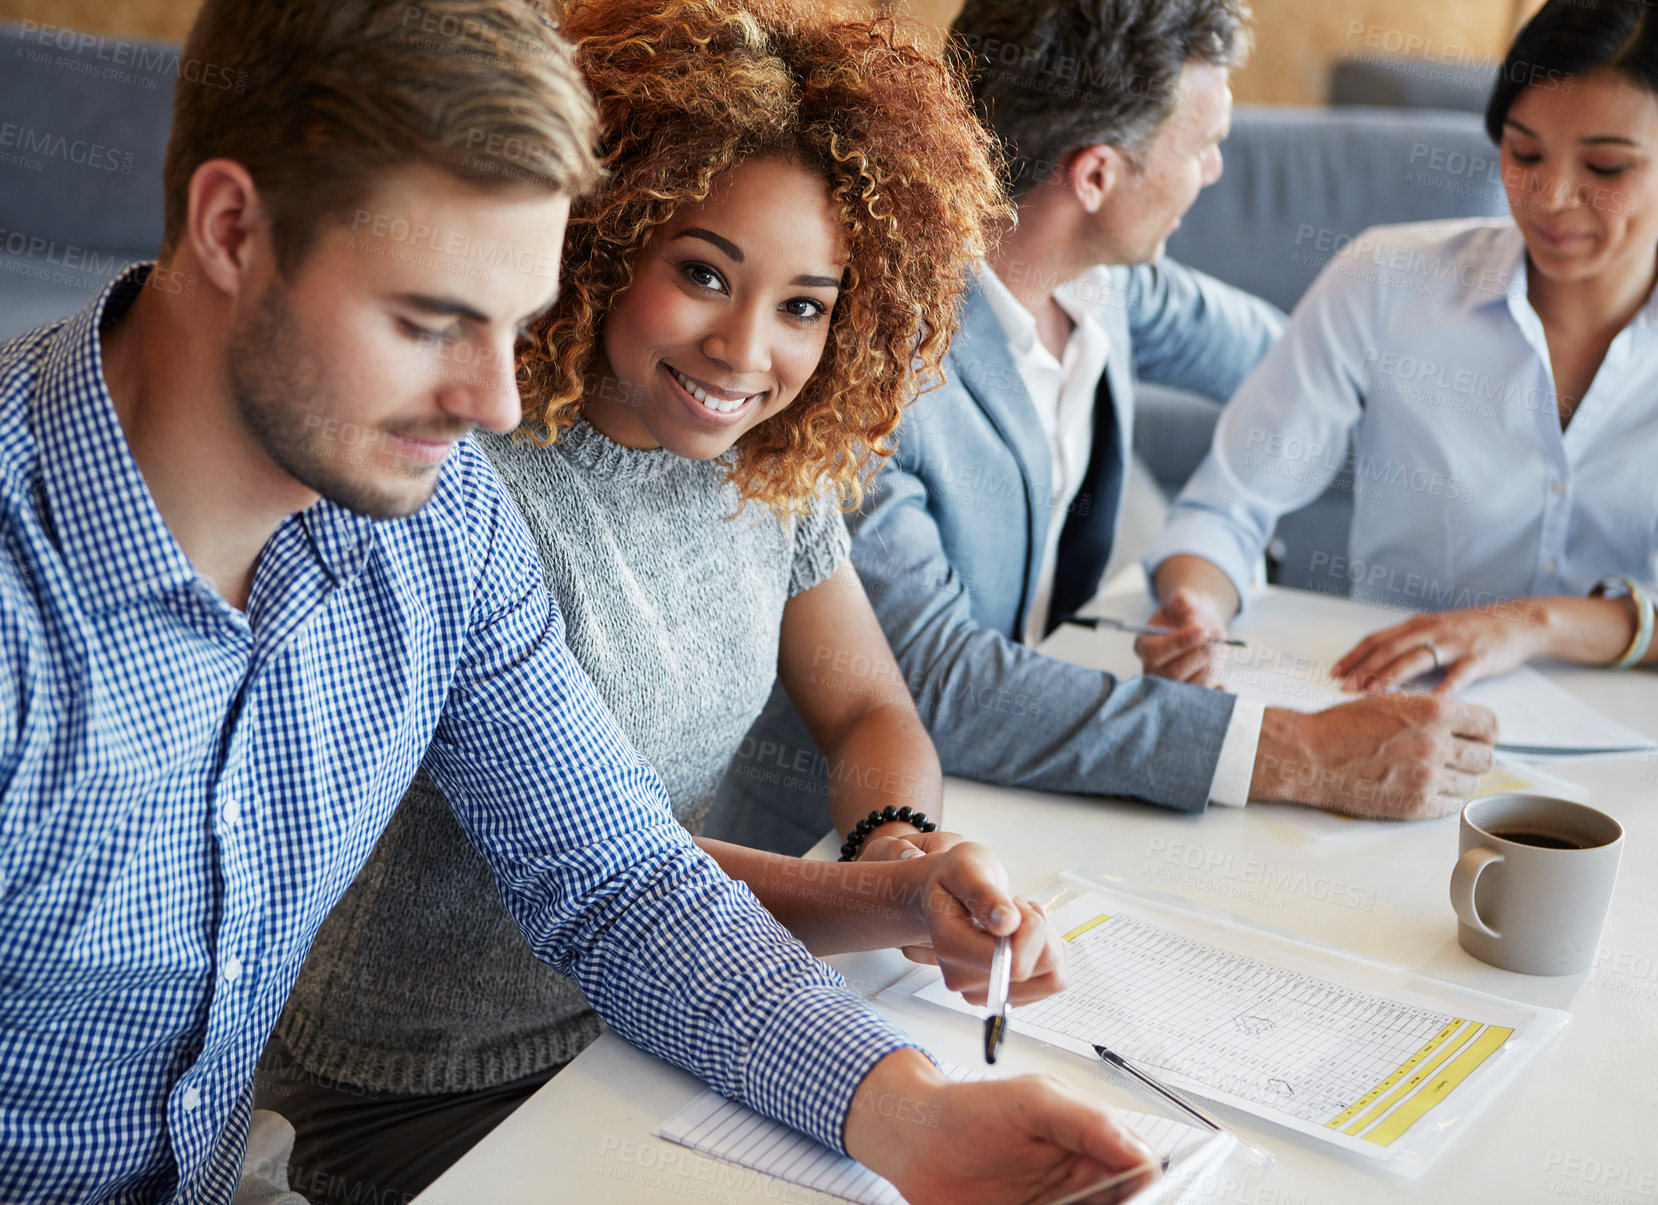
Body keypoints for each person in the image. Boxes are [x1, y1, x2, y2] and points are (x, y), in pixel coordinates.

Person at [0, 2, 1161, 1202]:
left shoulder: (438, 519)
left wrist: (912, 1117)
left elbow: (616, 880)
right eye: (431, 321)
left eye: (515, 323)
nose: (497, 404)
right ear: (233, 229)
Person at [260, 0, 1073, 1196]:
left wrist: (895, 834)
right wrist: (885, 898)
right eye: (702, 273)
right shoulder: (468, 484)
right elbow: (596, 868)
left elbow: (865, 710)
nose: (745, 350)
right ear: (601, 239)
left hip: (653, 1022)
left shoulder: (765, 466)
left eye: (803, 304)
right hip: (413, 1083)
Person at [719, 0, 1499, 847]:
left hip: (1033, 793)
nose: (1213, 173)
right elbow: (940, 685)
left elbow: (1309, 368)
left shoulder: (1102, 283)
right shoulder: (871, 361)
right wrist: (1294, 750)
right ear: (1094, 176)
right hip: (827, 855)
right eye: (1203, 146)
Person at [1143, 0, 1658, 692]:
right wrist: (1195, 610)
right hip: (1389, 706)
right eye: (1524, 151)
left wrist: (1536, 623)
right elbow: (1226, 509)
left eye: (1604, 168)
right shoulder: (1386, 280)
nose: (1551, 196)